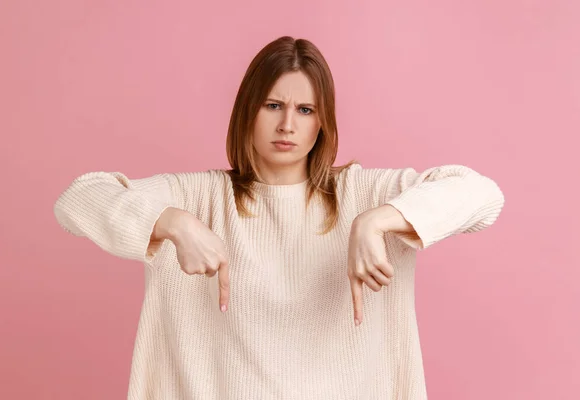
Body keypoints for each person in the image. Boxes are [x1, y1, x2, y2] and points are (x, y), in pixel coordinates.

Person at [53, 36, 505, 399]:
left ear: (321, 122)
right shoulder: (198, 196)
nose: (287, 124)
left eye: (305, 110)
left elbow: (482, 195)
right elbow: (77, 199)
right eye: (273, 105)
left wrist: (376, 221)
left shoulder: (364, 193)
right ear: (247, 111)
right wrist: (174, 222)